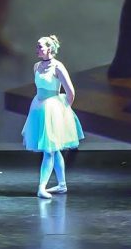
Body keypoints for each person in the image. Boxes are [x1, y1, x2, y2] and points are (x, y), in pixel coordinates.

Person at [22, 35, 83, 198]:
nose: (37, 49)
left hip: (53, 108)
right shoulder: (36, 66)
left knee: (49, 150)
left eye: (40, 46)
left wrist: (63, 110)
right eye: (37, 46)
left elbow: (70, 92)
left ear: (50, 48)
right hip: (39, 107)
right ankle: (62, 184)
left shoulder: (58, 67)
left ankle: (42, 187)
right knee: (54, 151)